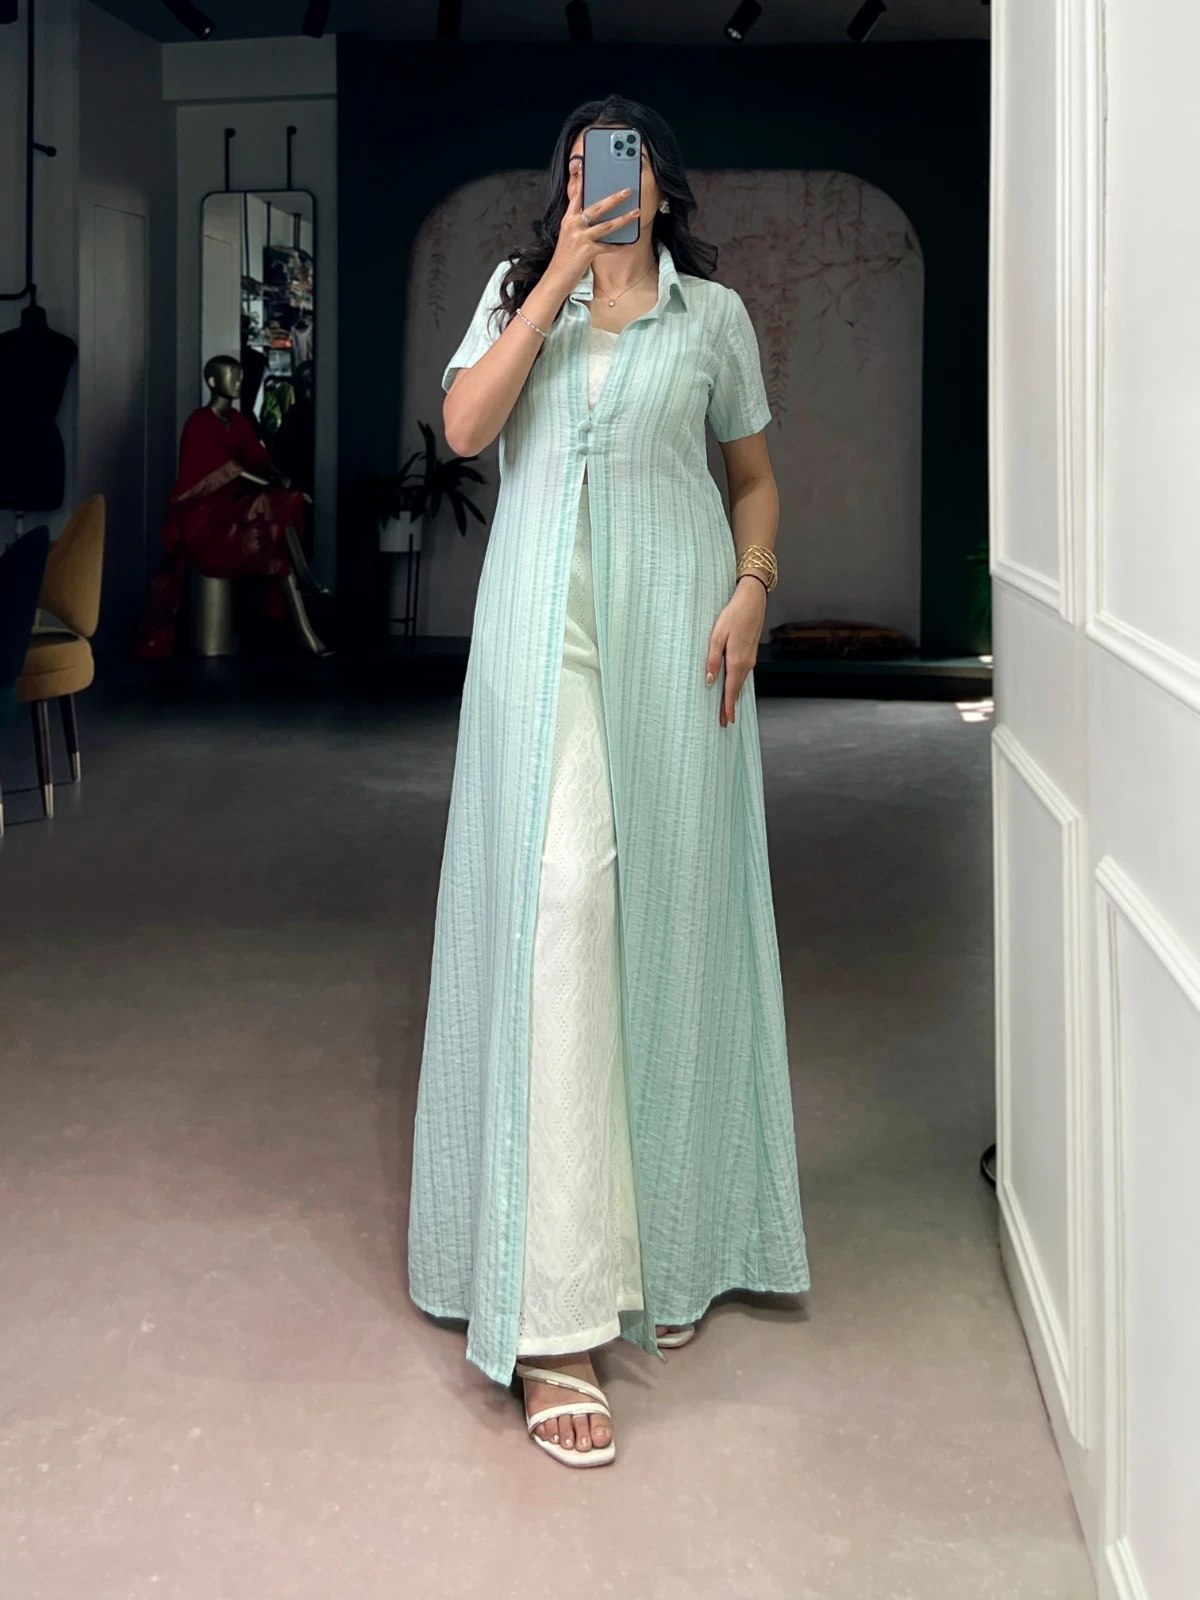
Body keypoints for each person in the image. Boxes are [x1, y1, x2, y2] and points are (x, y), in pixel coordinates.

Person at [408, 96, 810, 1469]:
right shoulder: (517, 293)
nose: (600, 184)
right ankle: (555, 1318)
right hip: (545, 655)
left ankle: (659, 1243)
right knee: (566, 903)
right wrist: (557, 285)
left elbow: (752, 481)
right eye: (578, 170)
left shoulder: (715, 319)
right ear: (562, 188)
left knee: (672, 931)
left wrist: (753, 589)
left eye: (619, 166)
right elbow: (466, 428)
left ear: (661, 184)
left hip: (680, 644)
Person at [133, 355, 331, 660]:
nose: (239, 381)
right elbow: (220, 468)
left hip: (233, 509)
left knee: (282, 511)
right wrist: (263, 480)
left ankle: (304, 607)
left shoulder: (238, 421)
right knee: (271, 503)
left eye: (240, 375)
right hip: (203, 518)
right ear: (213, 381)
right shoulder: (199, 422)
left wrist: (278, 475)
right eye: (233, 375)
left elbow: (256, 456)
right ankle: (305, 583)